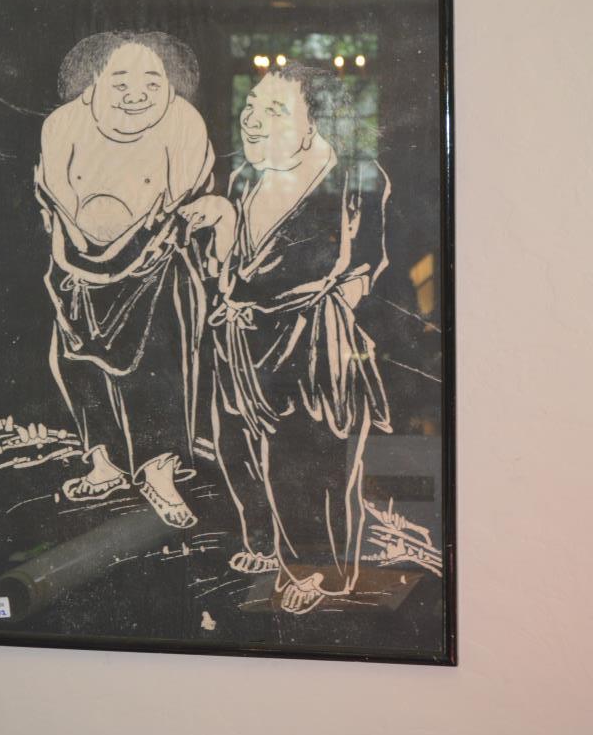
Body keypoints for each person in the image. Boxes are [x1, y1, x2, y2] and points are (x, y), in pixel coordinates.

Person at [181, 63, 391, 612]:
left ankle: (316, 569)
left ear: (315, 122)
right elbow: (223, 272)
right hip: (239, 341)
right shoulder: (241, 179)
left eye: (274, 111)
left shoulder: (353, 177)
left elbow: (360, 262)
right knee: (238, 446)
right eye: (250, 107)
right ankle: (261, 542)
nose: (252, 120)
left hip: (309, 341)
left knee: (309, 457)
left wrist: (332, 313)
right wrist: (221, 226)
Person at [36, 31, 213, 529]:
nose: (137, 94)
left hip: (153, 268)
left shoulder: (184, 123)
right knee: (77, 364)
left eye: (152, 82)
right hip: (75, 266)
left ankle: (159, 470)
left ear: (172, 85)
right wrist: (84, 249)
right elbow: (57, 194)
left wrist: (137, 247)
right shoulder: (62, 124)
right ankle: (104, 462)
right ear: (92, 81)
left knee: (156, 368)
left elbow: (179, 198)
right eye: (121, 82)